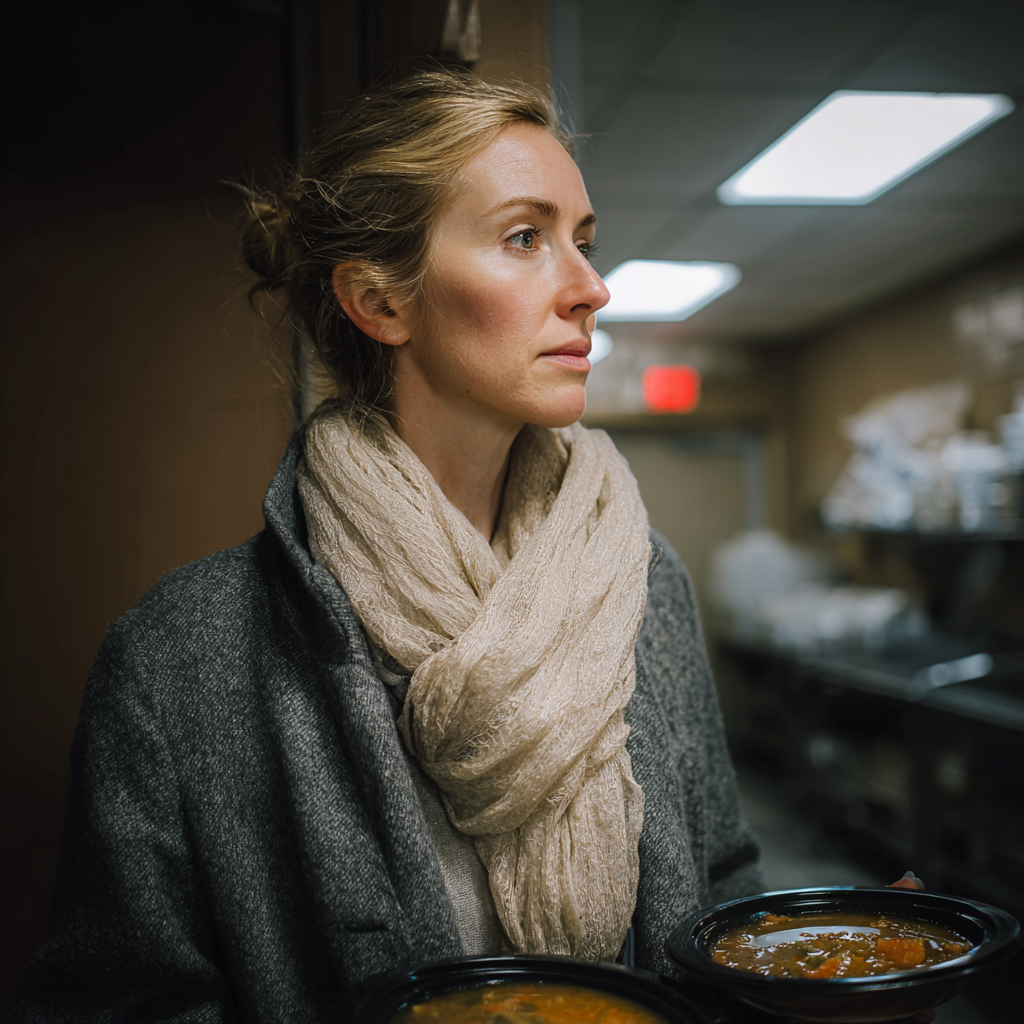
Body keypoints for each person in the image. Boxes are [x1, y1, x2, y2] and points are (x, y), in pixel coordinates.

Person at [9, 66, 763, 1022]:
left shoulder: (647, 582)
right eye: (525, 238)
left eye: (584, 242)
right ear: (380, 302)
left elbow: (721, 886)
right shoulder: (177, 660)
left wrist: (808, 987)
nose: (591, 289)